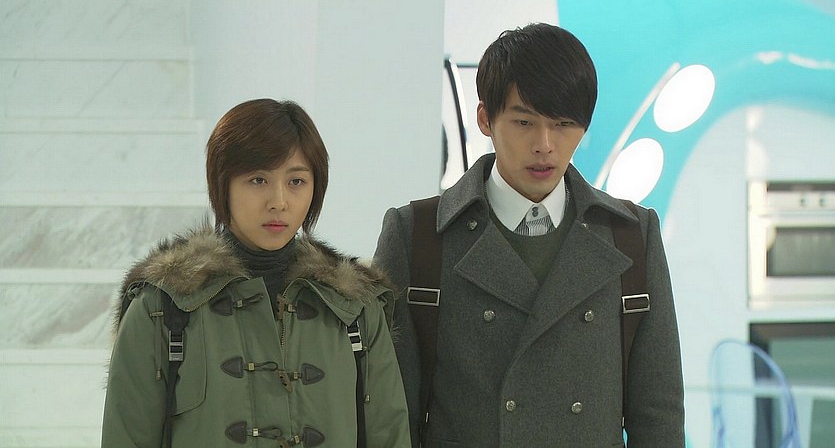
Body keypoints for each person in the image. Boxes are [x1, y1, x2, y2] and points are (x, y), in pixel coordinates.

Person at [373, 23, 685, 447]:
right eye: (523, 122)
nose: (545, 144)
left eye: (564, 124)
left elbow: (659, 416)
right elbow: (391, 415)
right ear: (485, 118)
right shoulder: (417, 236)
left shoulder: (632, 235)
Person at [102, 98, 411, 447]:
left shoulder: (355, 308)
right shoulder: (163, 306)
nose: (278, 201)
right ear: (223, 185)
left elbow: (390, 436)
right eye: (258, 179)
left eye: (296, 181)